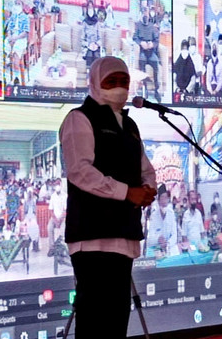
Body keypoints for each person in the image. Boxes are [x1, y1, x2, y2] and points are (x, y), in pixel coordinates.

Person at [59, 56, 156, 339]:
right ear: (94, 82)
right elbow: (80, 171)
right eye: (111, 81)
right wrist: (127, 192)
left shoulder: (130, 125)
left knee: (116, 320)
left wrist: (148, 188)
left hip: (124, 234)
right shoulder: (79, 118)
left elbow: (145, 169)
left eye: (124, 81)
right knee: (95, 321)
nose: (119, 88)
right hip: (93, 236)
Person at [133, 7, 161, 102]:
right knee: (142, 62)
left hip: (151, 51)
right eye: (144, 13)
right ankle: (145, 89)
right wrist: (141, 43)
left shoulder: (152, 26)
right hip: (142, 51)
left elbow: (156, 40)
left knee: (156, 62)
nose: (146, 15)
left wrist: (152, 44)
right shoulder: (138, 25)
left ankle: (157, 90)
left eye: (147, 14)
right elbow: (134, 37)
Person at [5, 0, 32, 84]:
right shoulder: (13, 16)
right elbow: (9, 28)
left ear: (22, 5)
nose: (17, 6)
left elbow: (25, 32)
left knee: (16, 57)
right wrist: (10, 37)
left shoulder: (25, 17)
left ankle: (17, 78)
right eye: (15, 4)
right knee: (5, 47)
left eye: (18, 4)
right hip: (12, 37)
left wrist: (15, 38)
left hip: (20, 38)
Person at [146, 184, 180, 257]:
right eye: (162, 197)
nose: (164, 201)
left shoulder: (171, 214)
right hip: (158, 250)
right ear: (158, 201)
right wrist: (158, 239)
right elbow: (149, 240)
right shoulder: (154, 216)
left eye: (166, 198)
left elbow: (174, 235)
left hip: (170, 248)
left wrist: (167, 244)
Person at [47, 178, 67, 255]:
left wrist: (60, 219)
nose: (57, 185)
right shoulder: (53, 196)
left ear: (61, 185)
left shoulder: (65, 195)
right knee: (49, 227)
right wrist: (55, 219)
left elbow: (65, 210)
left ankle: (62, 249)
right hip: (54, 217)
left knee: (63, 229)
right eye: (56, 184)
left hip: (63, 218)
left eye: (59, 184)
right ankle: (51, 248)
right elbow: (51, 210)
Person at [81, 0, 102, 71]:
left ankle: (96, 74)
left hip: (96, 46)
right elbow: (82, 39)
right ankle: (89, 75)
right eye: (89, 7)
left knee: (96, 56)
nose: (90, 9)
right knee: (89, 55)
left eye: (91, 7)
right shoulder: (84, 22)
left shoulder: (97, 22)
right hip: (87, 46)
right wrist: (88, 44)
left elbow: (100, 38)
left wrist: (96, 44)